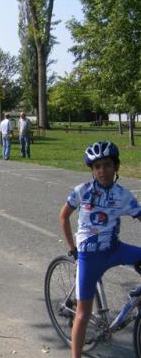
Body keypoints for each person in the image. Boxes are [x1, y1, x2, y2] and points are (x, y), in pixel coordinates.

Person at [59, 141, 141, 358]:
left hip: (114, 249)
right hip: (89, 257)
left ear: (116, 167)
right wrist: (72, 248)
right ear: (92, 170)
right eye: (97, 167)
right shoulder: (82, 191)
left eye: (107, 165)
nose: (102, 171)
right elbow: (64, 216)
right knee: (83, 314)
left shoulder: (123, 195)